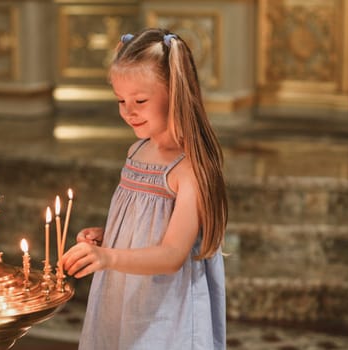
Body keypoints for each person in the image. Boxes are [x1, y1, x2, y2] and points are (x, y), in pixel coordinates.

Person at [62, 28, 228, 350]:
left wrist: (107, 256)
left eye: (140, 100)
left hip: (166, 308)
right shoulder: (137, 151)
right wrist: (108, 235)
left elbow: (170, 255)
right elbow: (143, 227)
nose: (128, 111)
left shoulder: (189, 169)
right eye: (121, 100)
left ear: (175, 94)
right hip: (126, 295)